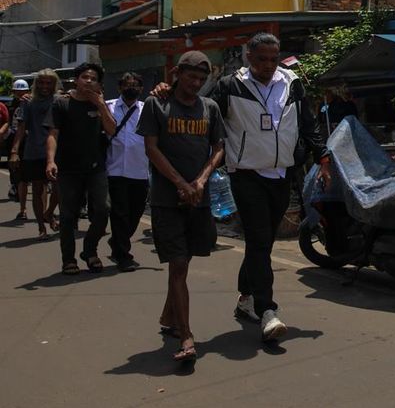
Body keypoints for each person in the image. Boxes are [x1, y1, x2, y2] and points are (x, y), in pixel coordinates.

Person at [153, 34, 331, 341]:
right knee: (260, 240)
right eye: (261, 59)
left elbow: (307, 123)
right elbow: (200, 108)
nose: (268, 65)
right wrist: (168, 91)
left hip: (282, 173)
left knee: (263, 243)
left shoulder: (291, 83)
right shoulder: (230, 85)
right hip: (246, 175)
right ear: (249, 56)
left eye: (273, 59)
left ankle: (246, 297)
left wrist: (323, 157)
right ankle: (267, 311)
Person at [137, 51, 225, 362]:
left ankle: (168, 315)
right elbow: (151, 148)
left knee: (184, 261)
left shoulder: (210, 107)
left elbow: (218, 147)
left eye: (202, 79)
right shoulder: (156, 104)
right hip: (167, 200)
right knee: (178, 264)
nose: (196, 83)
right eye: (191, 77)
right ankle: (186, 336)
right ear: (177, 73)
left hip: (198, 200)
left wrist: (200, 181)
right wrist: (180, 184)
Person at [45, 63, 116, 274]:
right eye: (85, 77)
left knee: (103, 209)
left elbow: (112, 130)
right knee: (68, 215)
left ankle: (90, 250)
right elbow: (53, 134)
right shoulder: (61, 103)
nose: (89, 81)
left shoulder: (100, 105)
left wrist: (101, 105)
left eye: (93, 79)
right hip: (68, 169)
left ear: (99, 84)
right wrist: (50, 161)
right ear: (76, 80)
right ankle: (69, 259)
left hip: (96, 168)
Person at [105, 72, 149, 272]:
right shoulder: (108, 107)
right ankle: (123, 256)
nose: (132, 88)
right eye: (127, 85)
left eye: (136, 85)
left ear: (141, 89)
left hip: (140, 170)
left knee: (135, 213)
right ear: (120, 87)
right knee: (120, 214)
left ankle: (117, 240)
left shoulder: (147, 109)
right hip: (115, 170)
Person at [10, 69, 60, 239]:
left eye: (48, 83)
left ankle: (49, 213)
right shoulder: (28, 102)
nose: (44, 86)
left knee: (59, 189)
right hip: (34, 151)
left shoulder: (60, 100)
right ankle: (41, 227)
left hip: (57, 152)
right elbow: (21, 127)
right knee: (38, 189)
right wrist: (14, 151)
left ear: (54, 84)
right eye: (41, 83)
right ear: (36, 84)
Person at [6, 79, 30, 218]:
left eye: (23, 91)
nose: (20, 94)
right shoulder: (10, 106)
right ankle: (23, 209)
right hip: (15, 143)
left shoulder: (32, 103)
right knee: (20, 177)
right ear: (13, 92)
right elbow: (8, 124)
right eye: (18, 92)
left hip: (31, 143)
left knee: (40, 181)